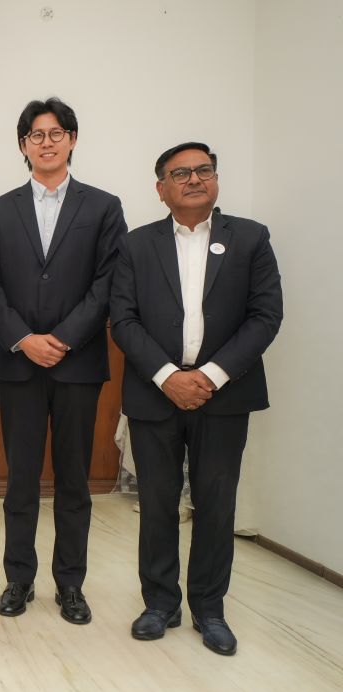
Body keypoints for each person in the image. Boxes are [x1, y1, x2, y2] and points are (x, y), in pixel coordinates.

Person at [111, 142, 282, 656]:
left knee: (216, 504)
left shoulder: (250, 238)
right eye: (180, 173)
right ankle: (160, 604)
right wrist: (168, 376)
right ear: (160, 188)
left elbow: (265, 316)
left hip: (224, 395)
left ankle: (210, 608)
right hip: (154, 393)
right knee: (157, 503)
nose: (193, 179)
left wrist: (209, 375)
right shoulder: (136, 245)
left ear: (216, 179)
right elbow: (124, 319)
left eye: (203, 170)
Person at [0, 98, 126, 625]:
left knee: (73, 480)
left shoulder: (103, 207)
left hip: (77, 363)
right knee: (20, 479)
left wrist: (61, 338)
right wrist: (22, 338)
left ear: (72, 139)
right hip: (17, 363)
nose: (46, 142)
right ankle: (18, 579)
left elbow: (109, 281)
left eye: (56, 133)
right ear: (23, 145)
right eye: (36, 135)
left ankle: (70, 584)